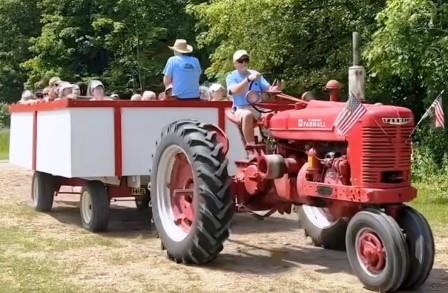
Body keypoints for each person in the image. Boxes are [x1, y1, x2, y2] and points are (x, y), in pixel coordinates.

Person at [226, 49, 278, 145]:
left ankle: (274, 143)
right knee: (247, 115)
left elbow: (268, 88)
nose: (244, 63)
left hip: (259, 107)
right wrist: (248, 80)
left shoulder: (255, 73)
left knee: (274, 115)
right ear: (235, 64)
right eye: (241, 61)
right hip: (241, 107)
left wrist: (275, 89)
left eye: (246, 60)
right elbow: (233, 91)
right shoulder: (231, 76)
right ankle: (251, 145)